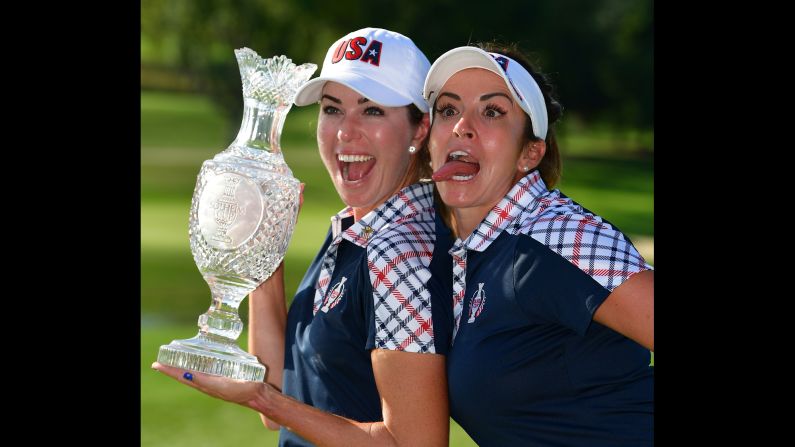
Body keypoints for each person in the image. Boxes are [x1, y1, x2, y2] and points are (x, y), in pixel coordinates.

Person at [153, 27, 454, 446]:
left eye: (372, 111)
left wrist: (262, 399)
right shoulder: (355, 231)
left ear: (420, 129)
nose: (345, 132)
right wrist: (265, 246)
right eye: (332, 109)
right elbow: (282, 384)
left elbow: (413, 444)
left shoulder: (399, 253)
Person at [422, 43, 654, 446]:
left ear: (530, 153)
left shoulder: (553, 233)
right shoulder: (469, 251)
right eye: (448, 110)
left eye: (492, 111)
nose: (462, 125)